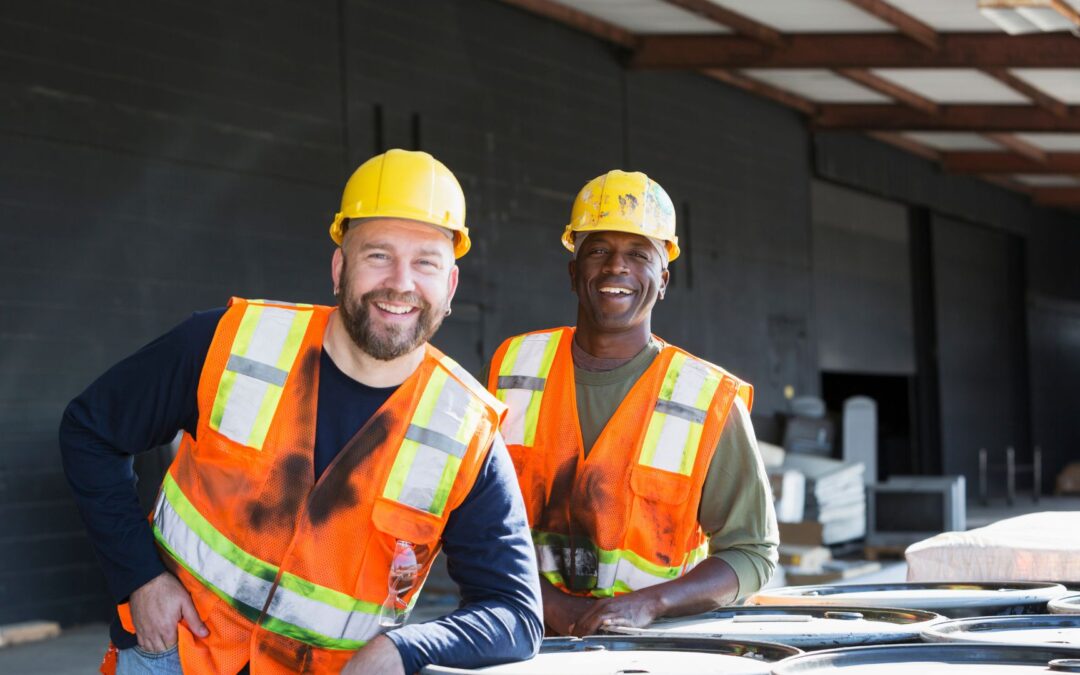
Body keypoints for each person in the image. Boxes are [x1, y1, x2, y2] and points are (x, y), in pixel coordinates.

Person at [60, 149, 542, 674]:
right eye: (378, 255)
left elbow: (514, 614)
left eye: (426, 261)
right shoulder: (229, 340)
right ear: (339, 268)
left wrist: (404, 647)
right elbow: (89, 431)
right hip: (175, 656)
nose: (401, 283)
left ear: (450, 286)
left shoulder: (466, 432)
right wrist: (138, 576)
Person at [485, 170, 778, 637]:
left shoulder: (705, 398)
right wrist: (549, 603)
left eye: (638, 254)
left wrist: (651, 604)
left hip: (655, 650)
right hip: (525, 635)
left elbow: (753, 553)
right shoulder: (515, 368)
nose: (616, 266)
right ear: (573, 271)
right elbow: (476, 524)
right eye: (598, 250)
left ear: (662, 280)